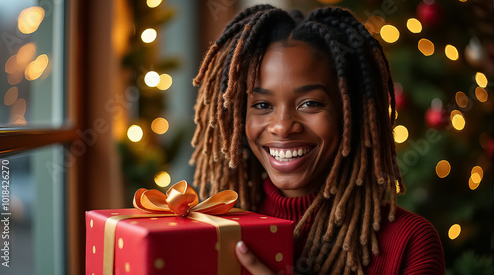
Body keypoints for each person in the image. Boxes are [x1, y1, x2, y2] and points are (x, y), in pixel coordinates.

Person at [190, 5, 445, 274]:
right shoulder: (218, 229)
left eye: (310, 103)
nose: (282, 127)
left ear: (349, 114)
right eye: (263, 105)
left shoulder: (410, 242)